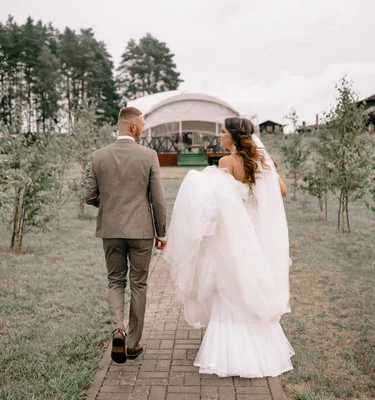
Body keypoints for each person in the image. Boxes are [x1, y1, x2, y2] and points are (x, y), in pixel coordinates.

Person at [163, 117, 294, 378]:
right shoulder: (261, 162)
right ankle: (261, 346)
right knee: (251, 281)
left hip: (233, 232)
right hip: (256, 230)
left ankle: (228, 350)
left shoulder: (225, 163)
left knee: (229, 285)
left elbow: (215, 203)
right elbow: (281, 191)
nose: (219, 136)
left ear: (233, 136)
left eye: (222, 132)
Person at [84, 106, 167, 364]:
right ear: (132, 126)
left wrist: (109, 207)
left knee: (115, 281)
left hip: (110, 231)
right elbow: (158, 200)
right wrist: (161, 232)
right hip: (141, 231)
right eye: (142, 124)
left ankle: (117, 329)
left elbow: (89, 196)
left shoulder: (99, 156)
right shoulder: (148, 155)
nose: (143, 128)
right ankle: (132, 344)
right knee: (139, 284)